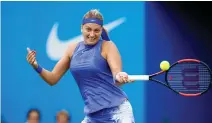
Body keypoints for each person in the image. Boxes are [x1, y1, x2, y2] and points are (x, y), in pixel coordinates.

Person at [26, 9, 135, 123]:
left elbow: (117, 75)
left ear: (101, 30)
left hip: (118, 113)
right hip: (93, 116)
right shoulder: (72, 49)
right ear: (81, 28)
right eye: (88, 29)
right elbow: (52, 79)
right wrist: (36, 66)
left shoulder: (108, 46)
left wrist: (120, 76)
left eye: (96, 30)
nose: (92, 34)